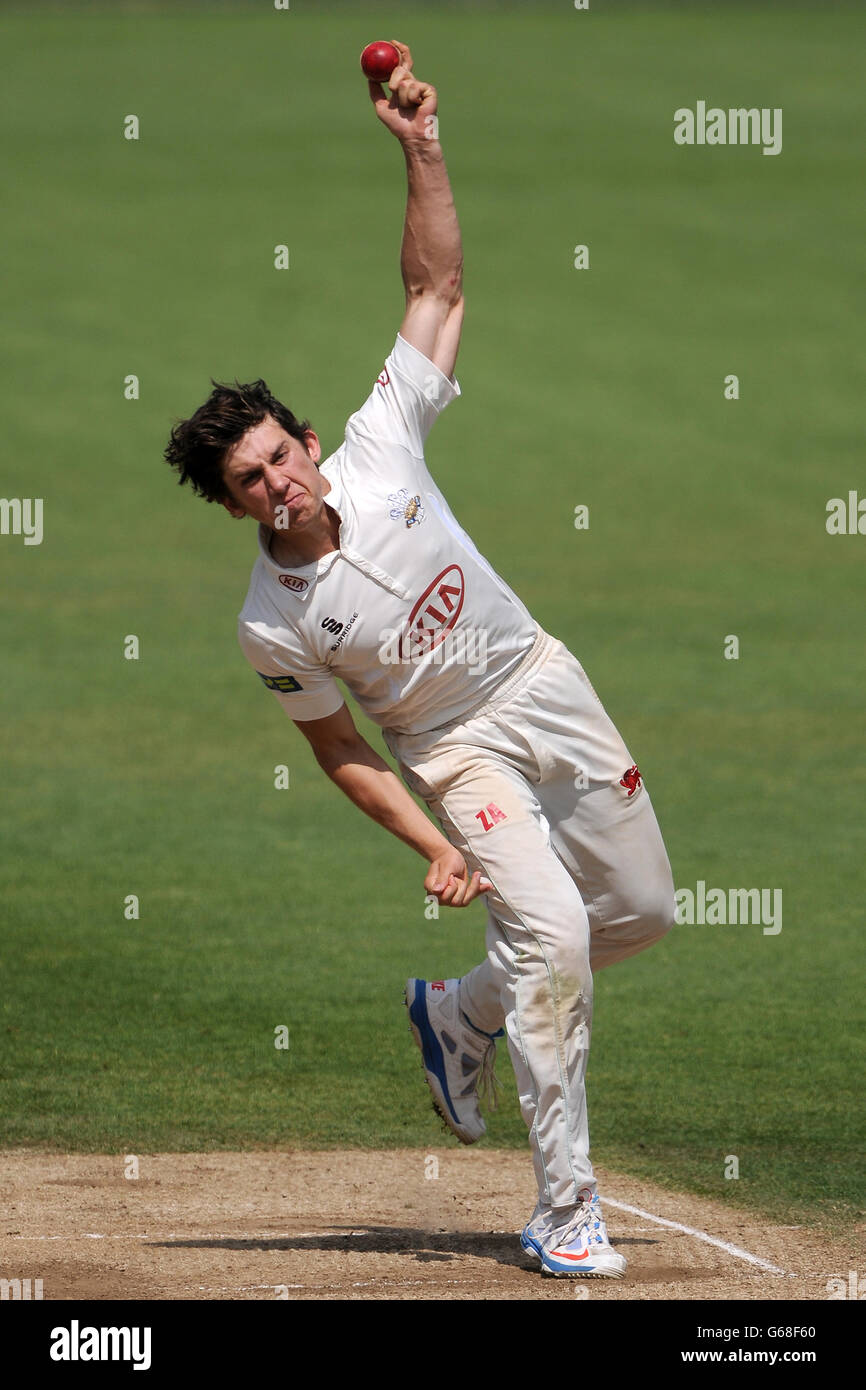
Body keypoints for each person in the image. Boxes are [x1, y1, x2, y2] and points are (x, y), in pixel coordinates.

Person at [163, 40, 675, 1279]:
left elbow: (435, 287)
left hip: (541, 681)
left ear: (305, 435)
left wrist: (421, 149)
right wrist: (437, 842)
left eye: (279, 455)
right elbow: (340, 749)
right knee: (551, 932)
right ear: (236, 510)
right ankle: (566, 1212)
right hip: (455, 749)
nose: (280, 484)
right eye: (251, 484)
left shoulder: (382, 444)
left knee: (640, 914)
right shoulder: (271, 624)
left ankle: (458, 1013)